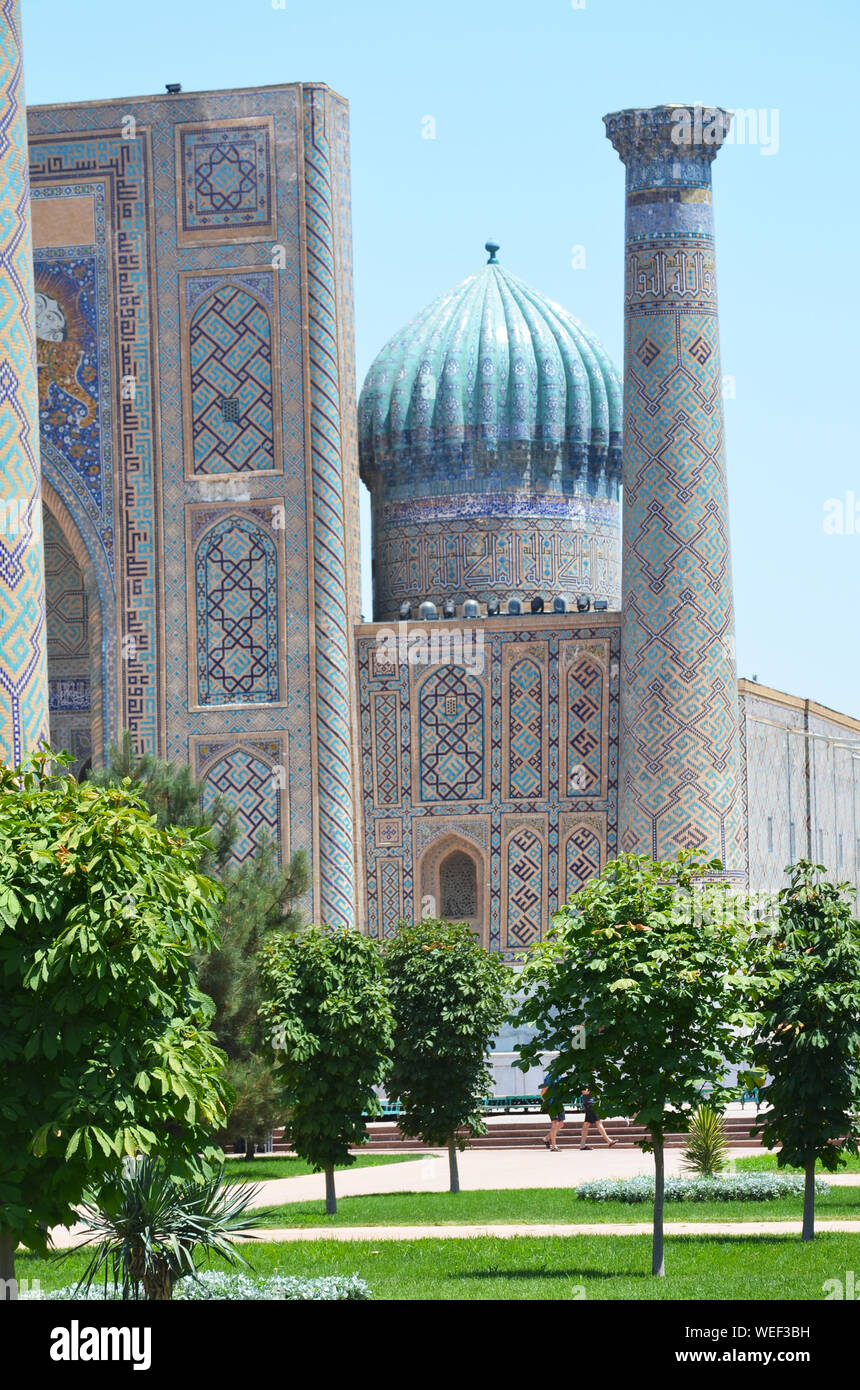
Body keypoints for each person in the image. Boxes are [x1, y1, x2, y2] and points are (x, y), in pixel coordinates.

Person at [578, 1085, 616, 1150]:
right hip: (590, 1104)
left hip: (591, 1103)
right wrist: (593, 1090)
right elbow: (584, 1091)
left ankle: (582, 1145)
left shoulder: (589, 1081)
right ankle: (609, 1141)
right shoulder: (584, 1081)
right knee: (598, 1122)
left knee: (586, 1124)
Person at [540, 1068, 566, 1150]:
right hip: (551, 1103)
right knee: (555, 1123)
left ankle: (546, 1138)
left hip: (559, 1102)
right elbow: (543, 1090)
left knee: (561, 1124)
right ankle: (554, 1146)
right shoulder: (550, 1076)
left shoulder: (559, 1076)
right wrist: (545, 1101)